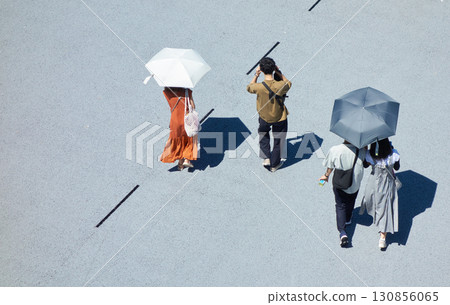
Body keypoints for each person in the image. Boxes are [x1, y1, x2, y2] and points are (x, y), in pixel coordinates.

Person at [247, 57, 292, 172]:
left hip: (264, 116)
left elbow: (249, 87)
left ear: (261, 70)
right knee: (278, 140)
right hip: (279, 117)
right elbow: (288, 84)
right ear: (273, 68)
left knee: (263, 134)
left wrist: (256, 75)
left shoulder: (259, 87)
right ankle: (274, 165)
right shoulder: (280, 85)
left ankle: (266, 157)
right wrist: (279, 73)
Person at [319, 141, 366, 247]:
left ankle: (342, 232)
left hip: (340, 183)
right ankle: (348, 219)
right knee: (351, 201)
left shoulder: (335, 149)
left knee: (340, 205)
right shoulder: (362, 150)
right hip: (355, 184)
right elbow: (366, 164)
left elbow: (330, 166)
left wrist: (326, 176)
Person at [359, 138, 400, 250]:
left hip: (374, 183)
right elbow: (397, 167)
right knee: (386, 208)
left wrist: (366, 150)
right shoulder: (394, 154)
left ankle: (375, 217)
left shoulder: (371, 155)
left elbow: (365, 165)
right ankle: (383, 238)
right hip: (388, 184)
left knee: (373, 201)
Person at [160, 87, 198, 170]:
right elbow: (193, 106)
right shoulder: (187, 92)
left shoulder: (167, 92)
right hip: (186, 120)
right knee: (189, 138)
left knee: (178, 141)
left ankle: (180, 163)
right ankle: (187, 160)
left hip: (175, 121)